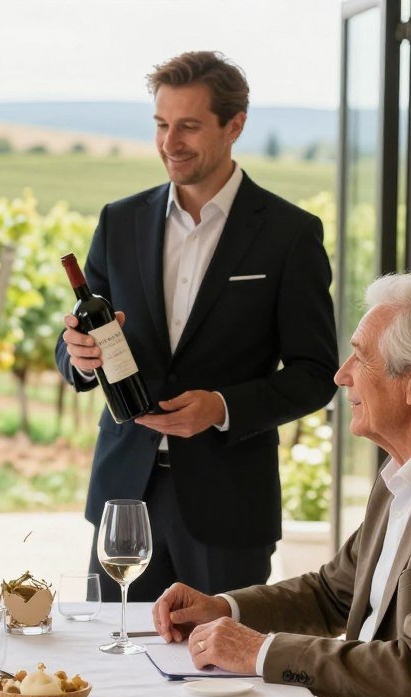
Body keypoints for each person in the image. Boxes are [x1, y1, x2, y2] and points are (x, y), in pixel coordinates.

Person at [152, 274, 411, 697]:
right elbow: (333, 592)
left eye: (360, 356)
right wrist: (224, 609)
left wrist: (261, 651)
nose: (342, 375)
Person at [55, 50, 338, 600]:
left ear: (235, 126)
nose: (170, 142)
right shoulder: (120, 221)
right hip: (123, 494)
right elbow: (75, 348)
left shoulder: (289, 234)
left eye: (188, 126)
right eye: (161, 124)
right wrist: (77, 356)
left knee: (221, 671)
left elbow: (317, 373)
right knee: (116, 663)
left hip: (229, 503)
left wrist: (222, 408)